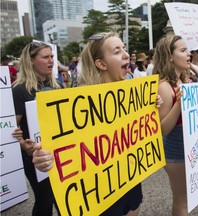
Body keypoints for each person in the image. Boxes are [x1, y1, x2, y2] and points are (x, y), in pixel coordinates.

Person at [32, 32, 163, 216]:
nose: (126, 54)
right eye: (117, 51)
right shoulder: (79, 103)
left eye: (124, 48)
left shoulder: (131, 92)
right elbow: (64, 147)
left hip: (129, 181)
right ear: (101, 64)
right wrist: (44, 159)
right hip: (100, 196)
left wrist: (149, 107)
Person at [153, 34, 198, 216]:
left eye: (188, 50)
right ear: (169, 56)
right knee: (183, 200)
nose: (189, 53)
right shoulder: (164, 87)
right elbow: (162, 129)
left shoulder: (185, 81)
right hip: (177, 153)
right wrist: (179, 104)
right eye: (183, 50)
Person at [11, 41, 62, 216]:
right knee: (45, 199)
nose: (51, 61)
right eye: (46, 57)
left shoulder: (57, 86)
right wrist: (23, 143)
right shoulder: (19, 90)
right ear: (31, 60)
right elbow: (12, 127)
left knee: (62, 196)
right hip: (34, 156)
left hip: (57, 152)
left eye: (52, 57)